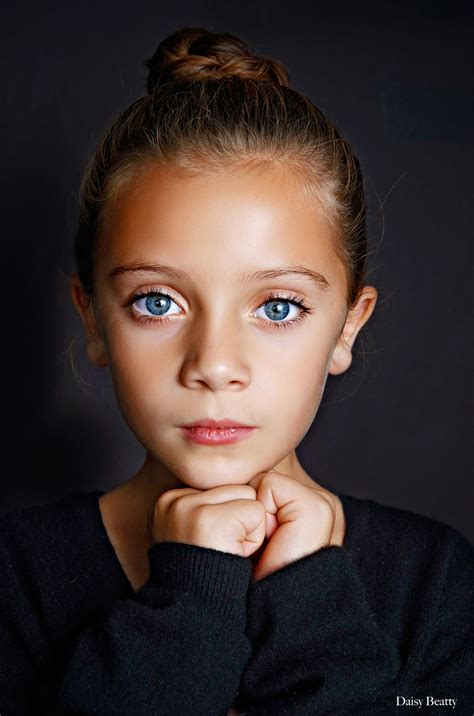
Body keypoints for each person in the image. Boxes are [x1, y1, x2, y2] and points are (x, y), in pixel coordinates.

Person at [0, 25, 472, 715]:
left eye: (278, 306)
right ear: (93, 318)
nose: (214, 366)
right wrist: (191, 597)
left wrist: (310, 600)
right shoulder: (15, 578)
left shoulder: (438, 586)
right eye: (156, 302)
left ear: (346, 327)